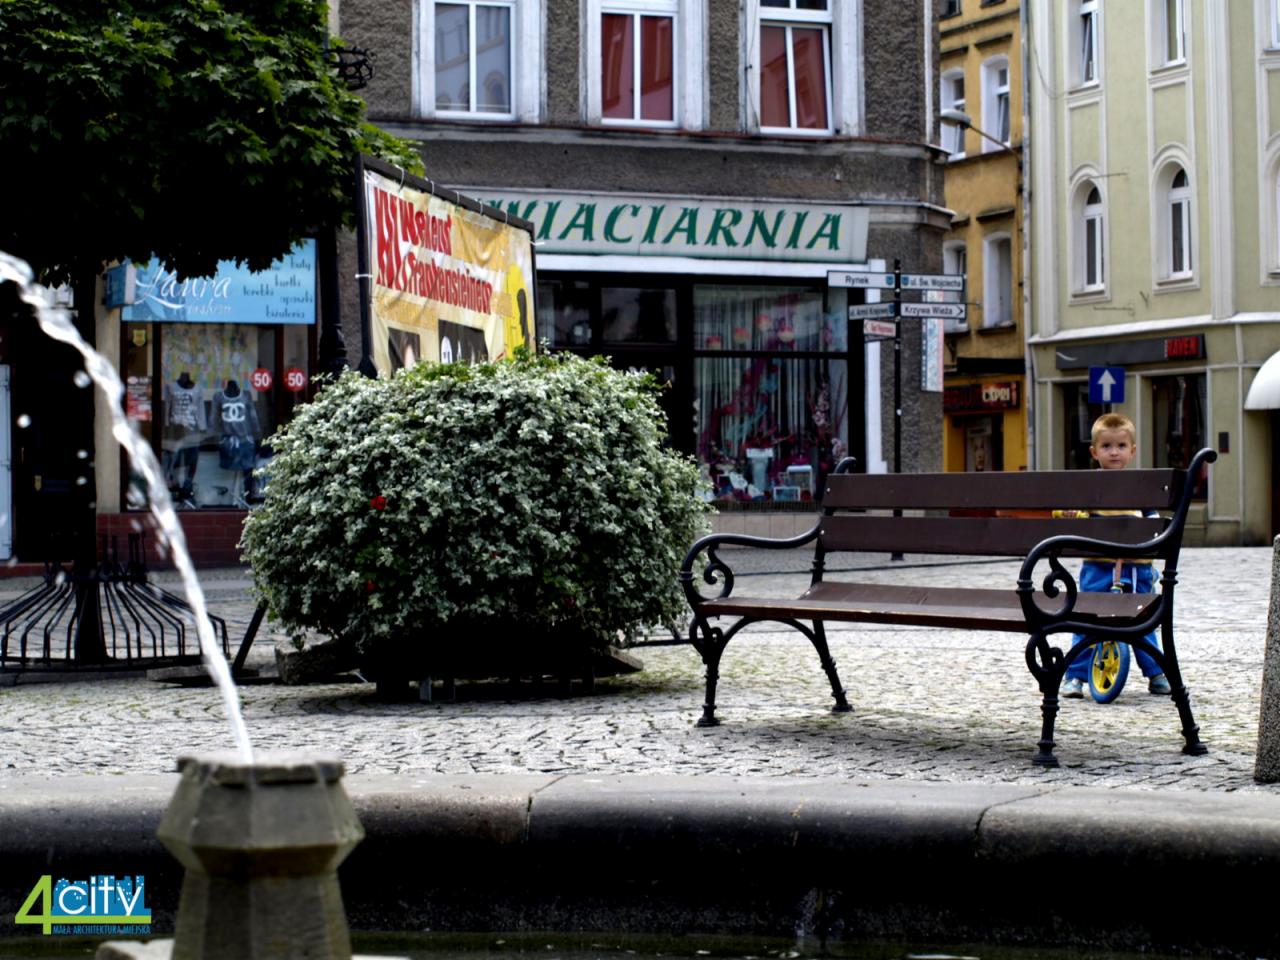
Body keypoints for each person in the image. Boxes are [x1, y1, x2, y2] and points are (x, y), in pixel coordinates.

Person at [1059, 412, 1172, 699]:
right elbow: (1073, 513)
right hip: (1100, 567)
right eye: (1107, 446)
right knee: (1088, 620)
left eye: (1121, 446)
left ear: (1132, 451)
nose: (1114, 452)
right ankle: (1075, 676)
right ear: (1094, 451)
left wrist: (1153, 529)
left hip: (1137, 569)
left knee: (1141, 621)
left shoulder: (1140, 485)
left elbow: (1152, 517)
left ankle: (1157, 672)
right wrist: (1075, 514)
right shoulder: (1091, 487)